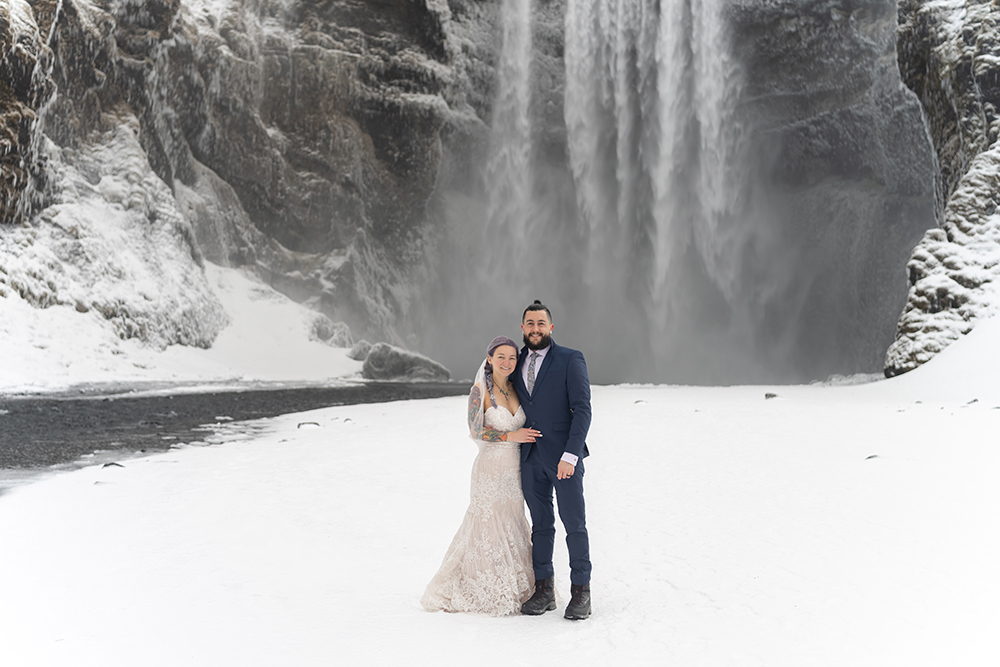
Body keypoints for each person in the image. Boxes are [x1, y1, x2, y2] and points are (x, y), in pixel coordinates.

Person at [420, 335, 543, 616]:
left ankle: (518, 584)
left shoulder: (517, 389)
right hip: (490, 466)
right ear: (489, 359)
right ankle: (480, 585)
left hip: (515, 468)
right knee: (486, 523)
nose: (507, 362)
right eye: (501, 356)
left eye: (512, 357)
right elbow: (476, 431)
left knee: (512, 520)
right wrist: (512, 434)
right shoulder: (479, 391)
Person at [514, 300, 593, 620]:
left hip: (564, 458)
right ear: (522, 328)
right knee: (541, 526)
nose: (535, 329)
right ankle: (544, 590)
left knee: (574, 524)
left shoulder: (570, 358)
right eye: (530, 324)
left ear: (551, 327)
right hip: (530, 458)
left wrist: (570, 455)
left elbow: (583, 410)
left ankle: (581, 592)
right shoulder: (514, 361)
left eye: (540, 324)